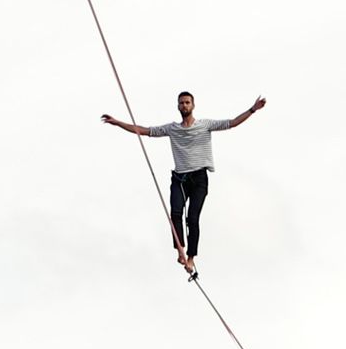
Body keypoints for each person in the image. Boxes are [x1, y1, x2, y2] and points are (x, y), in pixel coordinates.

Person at [103, 89, 267, 275]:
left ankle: (191, 257)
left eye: (187, 102)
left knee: (192, 219)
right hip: (180, 178)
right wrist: (118, 123)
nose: (184, 105)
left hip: (199, 179)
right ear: (178, 106)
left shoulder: (205, 125)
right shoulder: (172, 129)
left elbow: (232, 123)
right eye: (181, 103)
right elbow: (144, 130)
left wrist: (253, 109)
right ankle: (180, 249)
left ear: (193, 105)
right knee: (175, 213)